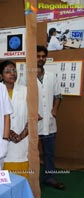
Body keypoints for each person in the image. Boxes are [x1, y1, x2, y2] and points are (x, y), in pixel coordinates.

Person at [37, 45, 65, 190]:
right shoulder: (25, 77)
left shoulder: (52, 76)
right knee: (30, 152)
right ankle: (31, 177)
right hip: (32, 123)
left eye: (43, 56)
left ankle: (49, 177)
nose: (41, 59)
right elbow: (22, 98)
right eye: (38, 56)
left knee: (49, 153)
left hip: (49, 121)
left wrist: (54, 109)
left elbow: (58, 95)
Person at [0, 60, 29, 180]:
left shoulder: (25, 90)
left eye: (14, 70)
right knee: (4, 179)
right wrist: (8, 132)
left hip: (22, 140)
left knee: (20, 179)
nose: (12, 73)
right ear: (1, 75)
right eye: (7, 71)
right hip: (2, 139)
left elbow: (34, 116)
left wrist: (21, 135)